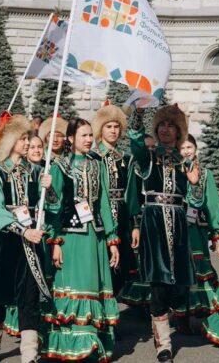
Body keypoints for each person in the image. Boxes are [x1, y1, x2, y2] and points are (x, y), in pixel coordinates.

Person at [127, 104, 202, 363]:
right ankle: (163, 345)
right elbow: (135, 139)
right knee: (159, 283)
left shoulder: (185, 162)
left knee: (180, 285)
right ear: (157, 129)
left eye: (171, 125)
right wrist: (137, 114)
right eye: (162, 125)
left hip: (179, 223)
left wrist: (195, 184)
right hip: (154, 223)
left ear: (178, 131)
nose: (166, 129)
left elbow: (197, 201)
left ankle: (168, 319)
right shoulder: (148, 156)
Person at [42, 118, 120, 362]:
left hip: (94, 238)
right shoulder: (60, 166)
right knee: (73, 289)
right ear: (71, 138)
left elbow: (105, 203)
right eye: (83, 135)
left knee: (93, 288)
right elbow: (53, 207)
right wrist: (54, 242)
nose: (88, 140)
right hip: (70, 237)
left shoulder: (98, 165)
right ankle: (72, 344)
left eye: (90, 136)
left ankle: (92, 343)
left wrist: (112, 238)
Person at [0, 114, 53, 363]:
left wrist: (49, 187)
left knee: (29, 296)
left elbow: (50, 206)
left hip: (31, 242)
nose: (26, 143)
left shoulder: (35, 171)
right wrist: (23, 231)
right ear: (10, 140)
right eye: (22, 138)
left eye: (27, 138)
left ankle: (29, 353)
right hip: (7, 240)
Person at [90, 104, 140, 297]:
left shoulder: (126, 159)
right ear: (100, 129)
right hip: (98, 217)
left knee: (121, 268)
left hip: (121, 217)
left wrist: (135, 224)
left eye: (116, 126)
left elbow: (132, 194)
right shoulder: (93, 157)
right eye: (108, 126)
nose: (113, 130)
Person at [173, 134, 219, 332]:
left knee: (200, 268)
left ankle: (202, 308)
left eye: (189, 147)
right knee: (182, 270)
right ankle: (182, 315)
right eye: (182, 148)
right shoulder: (174, 171)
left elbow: (212, 203)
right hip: (178, 227)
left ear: (195, 148)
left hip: (198, 228)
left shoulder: (205, 173)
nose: (186, 151)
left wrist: (217, 231)